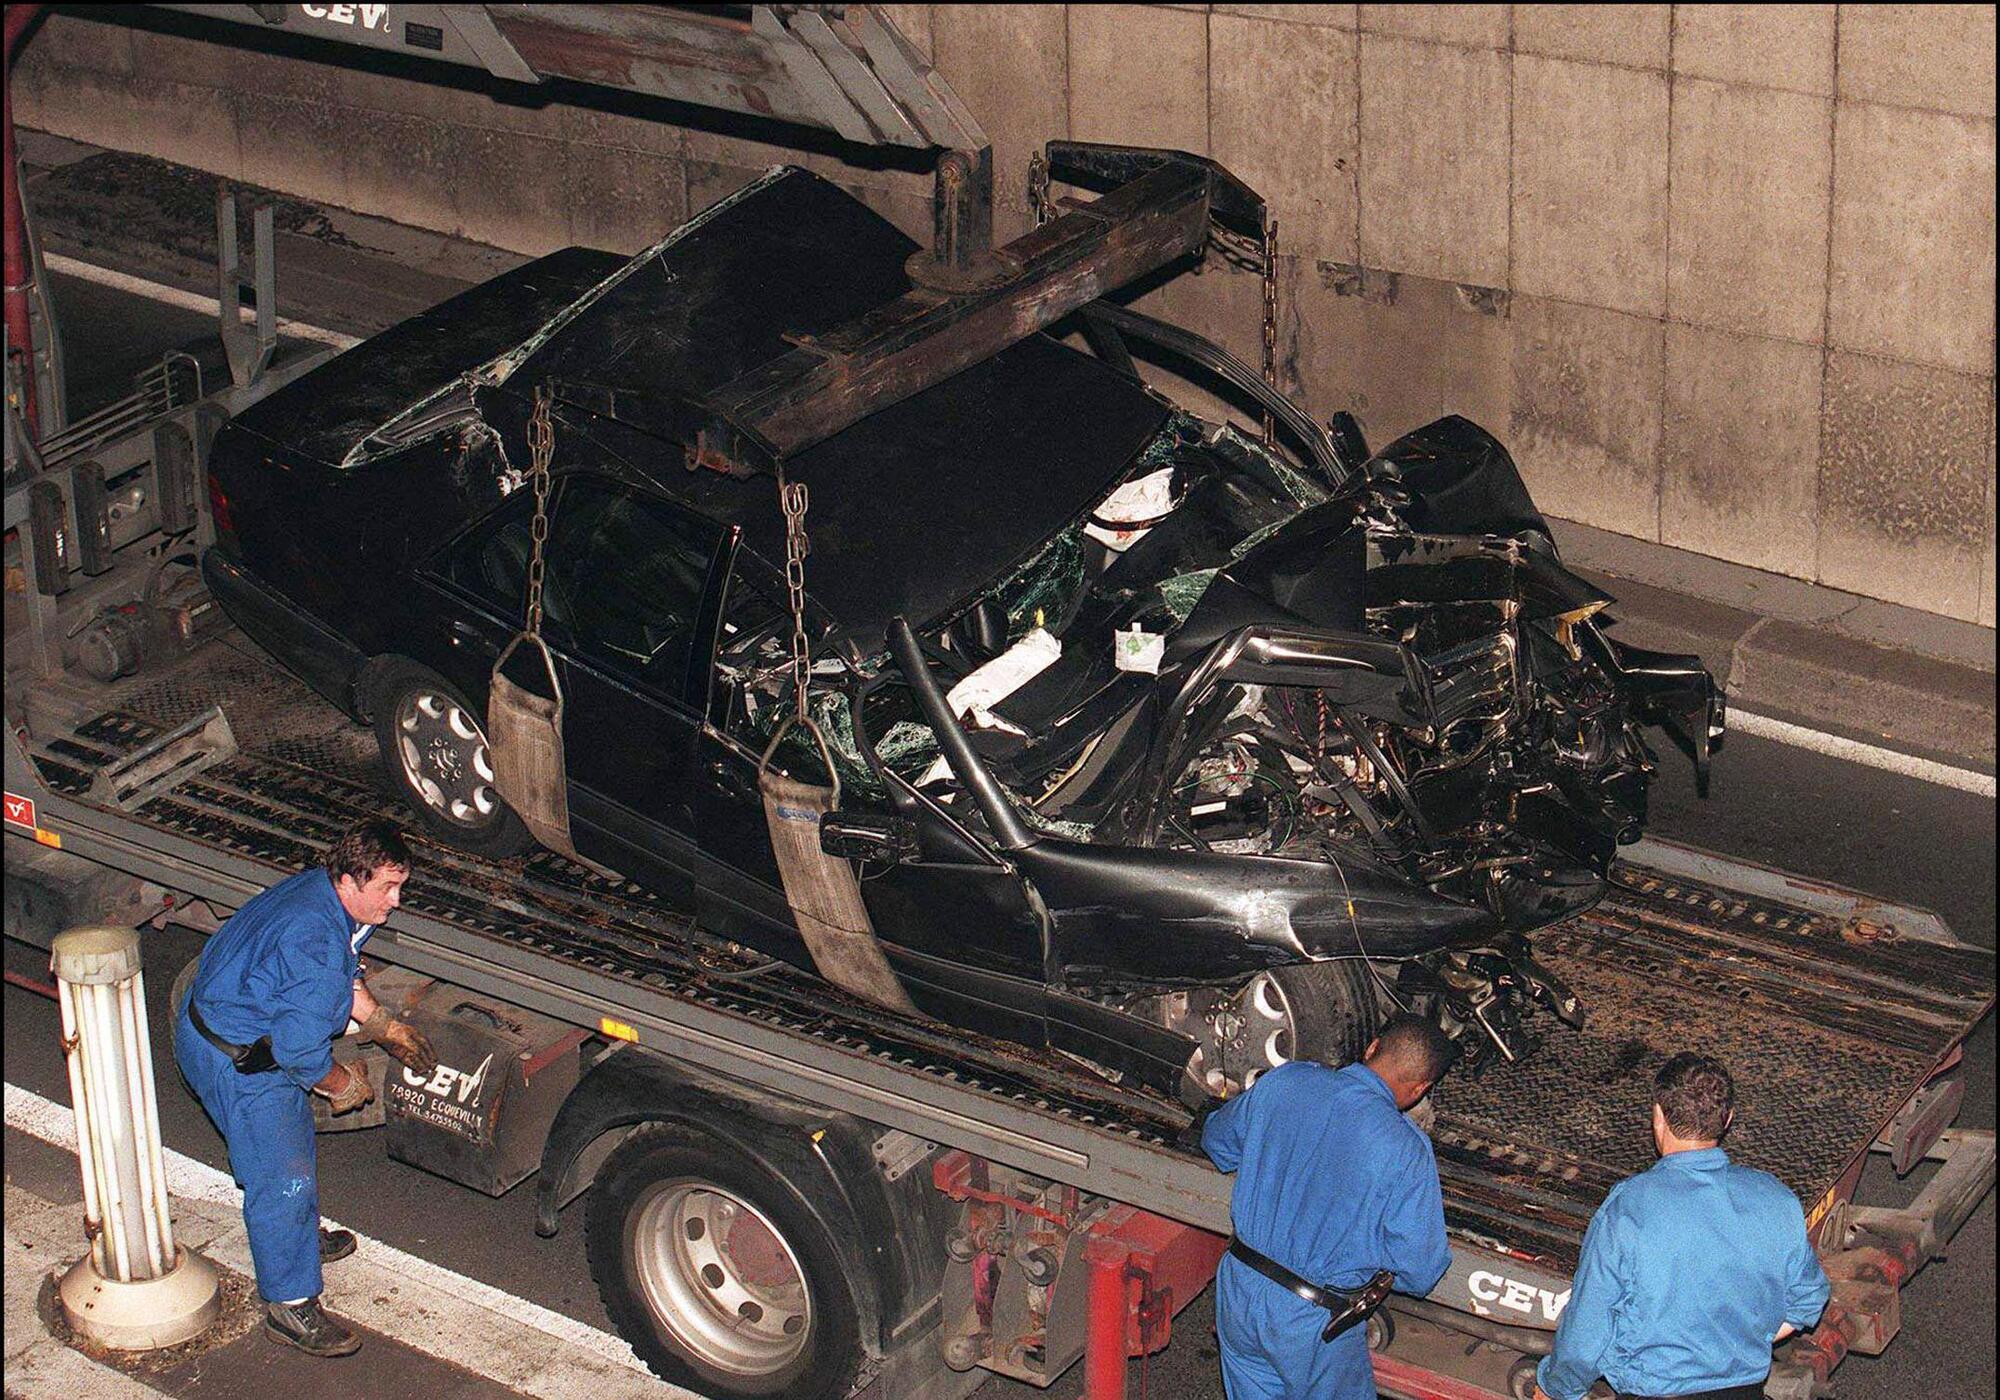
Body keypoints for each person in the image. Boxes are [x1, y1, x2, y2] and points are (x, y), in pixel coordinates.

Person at [173, 819, 438, 1357]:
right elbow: (300, 1055)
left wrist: (381, 1024)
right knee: (282, 1172)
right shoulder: (315, 942)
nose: (396, 901)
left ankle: (292, 1238)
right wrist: (342, 1086)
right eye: (387, 887)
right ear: (349, 880)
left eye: (400, 886)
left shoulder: (318, 892)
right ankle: (290, 1306)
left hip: (209, 1023)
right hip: (240, 1061)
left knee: (276, 1150)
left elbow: (337, 975)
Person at [1534, 1052, 1831, 1400]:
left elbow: (1588, 1327)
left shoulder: (1629, 1208)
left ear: (1658, 1116)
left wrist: (1557, 1387)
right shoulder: (1776, 1200)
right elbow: (1808, 1299)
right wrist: (1749, 1341)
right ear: (1728, 1118)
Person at [1203, 1012, 1459, 1400]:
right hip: (1311, 1320)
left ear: (1372, 1047)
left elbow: (1218, 1141)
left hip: (1240, 1285)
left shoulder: (1287, 1080)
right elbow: (1420, 1270)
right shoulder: (1406, 1150)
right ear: (1421, 1089)